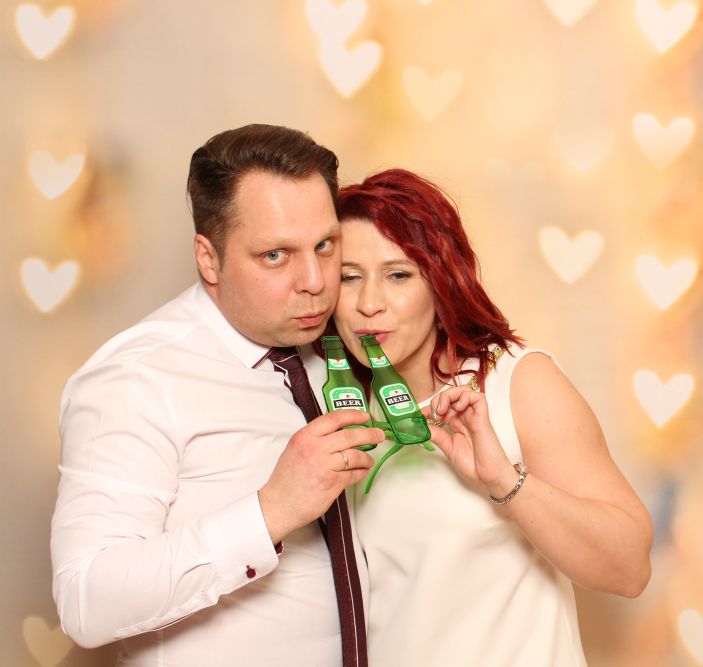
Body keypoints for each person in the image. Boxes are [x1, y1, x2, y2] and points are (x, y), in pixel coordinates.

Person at [51, 124, 382, 666]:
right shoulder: (135, 380)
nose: (315, 280)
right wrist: (270, 511)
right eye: (275, 255)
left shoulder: (340, 347)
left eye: (325, 245)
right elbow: (85, 599)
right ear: (209, 259)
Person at [332, 169, 654, 666]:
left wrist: (502, 480)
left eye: (398, 275)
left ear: (441, 281)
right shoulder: (339, 404)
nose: (368, 304)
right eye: (349, 277)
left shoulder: (515, 382)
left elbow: (629, 568)